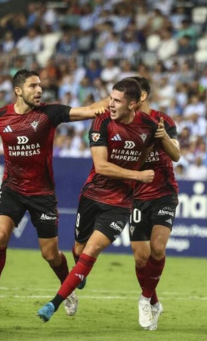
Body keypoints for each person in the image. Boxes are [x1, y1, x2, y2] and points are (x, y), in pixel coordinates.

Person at [0, 69, 106, 323]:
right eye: (32, 86)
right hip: (12, 189)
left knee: (50, 254)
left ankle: (66, 289)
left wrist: (113, 101)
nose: (39, 90)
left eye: (40, 86)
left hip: (42, 194)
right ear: (18, 91)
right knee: (0, 235)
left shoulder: (50, 113)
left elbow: (90, 110)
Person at [36, 78, 157, 324]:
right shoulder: (101, 121)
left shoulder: (149, 126)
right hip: (93, 195)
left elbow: (146, 152)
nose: (110, 104)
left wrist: (137, 175)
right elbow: (101, 167)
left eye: (117, 101)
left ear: (133, 104)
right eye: (110, 98)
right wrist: (138, 175)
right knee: (79, 250)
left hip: (120, 204)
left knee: (91, 251)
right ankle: (79, 272)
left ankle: (54, 303)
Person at [127, 76, 180, 330]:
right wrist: (148, 144)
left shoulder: (164, 121)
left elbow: (177, 154)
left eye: (130, 95)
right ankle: (155, 302)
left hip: (164, 192)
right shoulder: (124, 124)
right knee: (140, 258)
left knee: (157, 248)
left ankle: (144, 299)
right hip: (136, 195)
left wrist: (162, 137)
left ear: (142, 97)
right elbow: (131, 164)